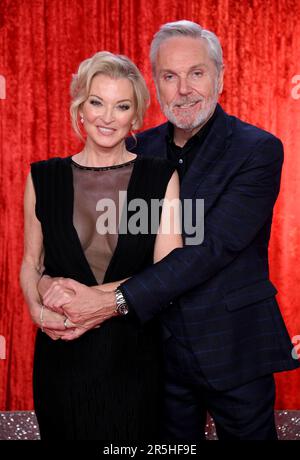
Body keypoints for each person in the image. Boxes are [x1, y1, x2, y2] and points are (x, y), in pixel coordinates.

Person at [44, 21, 300, 440]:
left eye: (196, 73)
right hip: (152, 353)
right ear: (155, 84)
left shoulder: (257, 150)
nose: (183, 89)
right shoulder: (134, 148)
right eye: (169, 76)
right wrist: (54, 284)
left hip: (231, 347)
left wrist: (110, 302)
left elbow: (211, 248)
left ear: (219, 76)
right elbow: (105, 240)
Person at [20, 51, 182, 440]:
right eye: (97, 102)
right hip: (61, 357)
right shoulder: (44, 176)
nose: (107, 117)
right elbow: (30, 262)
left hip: (133, 359)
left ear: (135, 116)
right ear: (80, 106)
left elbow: (169, 273)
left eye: (121, 106)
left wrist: (93, 298)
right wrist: (38, 309)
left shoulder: (159, 177)